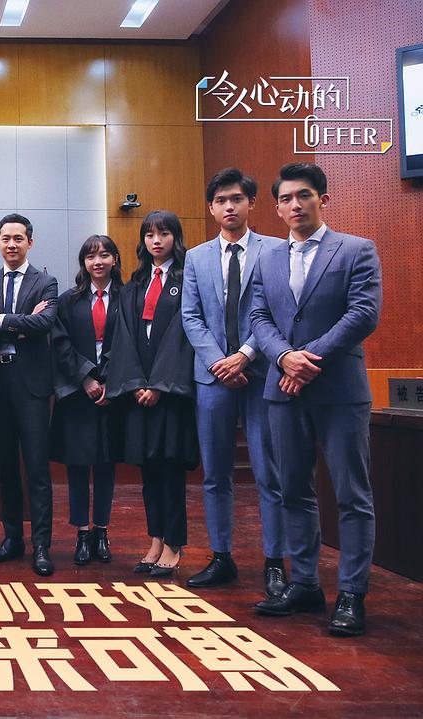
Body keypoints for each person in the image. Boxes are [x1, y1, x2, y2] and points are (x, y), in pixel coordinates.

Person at [251, 162, 381, 637]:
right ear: (277, 207)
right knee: (293, 491)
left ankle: (351, 593)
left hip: (339, 391)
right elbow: (259, 317)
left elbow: (363, 314)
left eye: (303, 195)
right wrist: (285, 358)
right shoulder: (267, 258)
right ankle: (304, 583)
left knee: (351, 495)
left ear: (322, 199)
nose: (295, 205)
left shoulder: (356, 250)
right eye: (286, 199)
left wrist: (308, 358)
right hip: (283, 390)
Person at [182, 168, 287, 598]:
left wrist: (244, 355)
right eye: (221, 200)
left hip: (261, 374)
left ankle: (275, 562)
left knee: (268, 472)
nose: (229, 207)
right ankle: (221, 557)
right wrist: (218, 363)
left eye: (237, 199)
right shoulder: (196, 257)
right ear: (211, 208)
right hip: (212, 379)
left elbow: (279, 311)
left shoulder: (276, 249)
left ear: (251, 204)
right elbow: (191, 317)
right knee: (215, 473)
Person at [106, 210, 199, 578]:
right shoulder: (136, 282)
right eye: (149, 235)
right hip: (139, 391)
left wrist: (160, 385)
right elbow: (124, 336)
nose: (156, 241)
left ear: (176, 237)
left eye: (163, 234)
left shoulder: (186, 278)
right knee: (148, 471)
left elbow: (183, 333)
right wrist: (136, 384)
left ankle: (174, 544)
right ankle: (156, 539)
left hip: (170, 393)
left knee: (170, 470)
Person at [0, 213, 58, 577]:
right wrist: (22, 323)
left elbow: (44, 324)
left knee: (37, 468)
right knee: (5, 467)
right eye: (6, 238)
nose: (12, 244)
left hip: (32, 387)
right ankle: (12, 539)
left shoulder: (46, 282)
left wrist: (1, 320)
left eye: (18, 238)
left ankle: (41, 545)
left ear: (30, 243)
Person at [49, 234, 123, 566]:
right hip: (77, 394)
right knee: (78, 466)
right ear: (84, 263)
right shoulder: (69, 300)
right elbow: (60, 344)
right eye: (91, 256)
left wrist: (109, 380)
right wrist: (86, 378)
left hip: (114, 393)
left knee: (106, 465)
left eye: (104, 255)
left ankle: (101, 531)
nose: (98, 262)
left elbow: (130, 342)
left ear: (114, 259)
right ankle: (81, 532)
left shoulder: (127, 298)